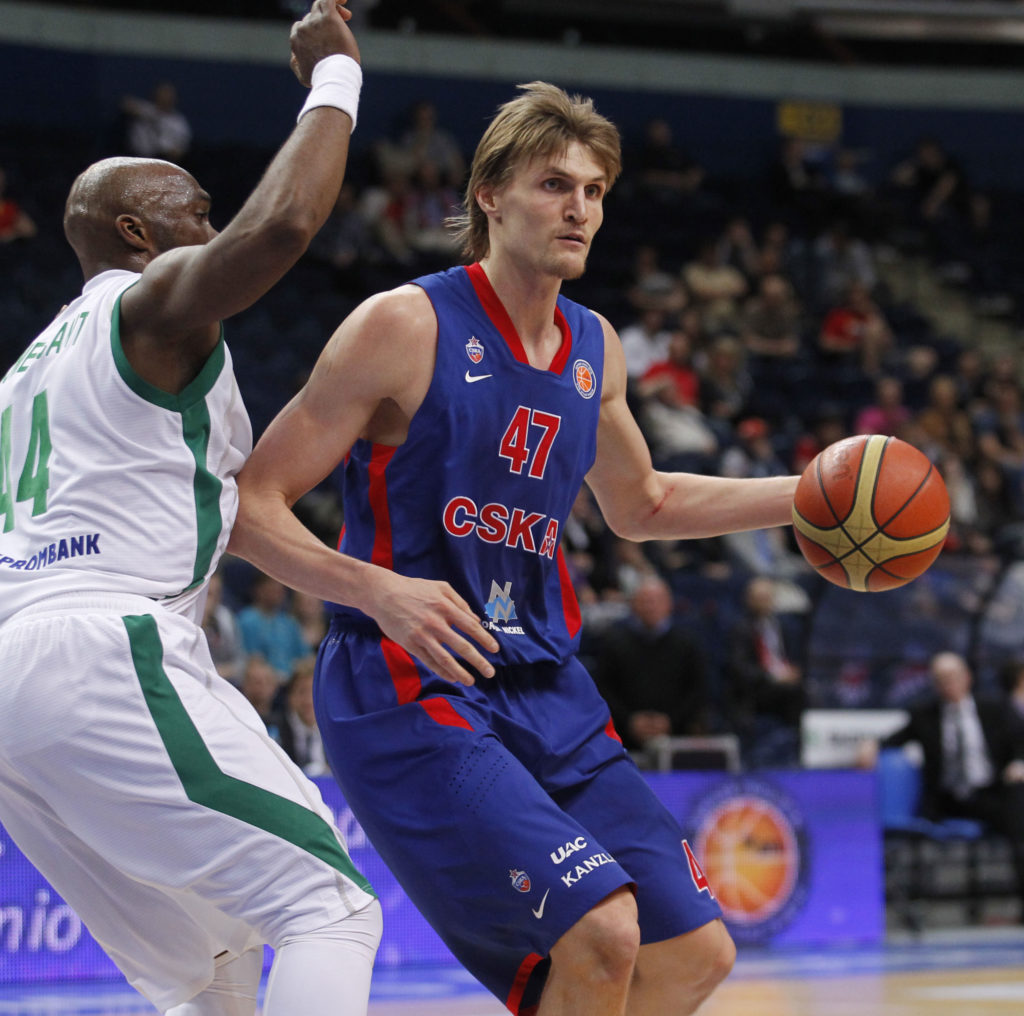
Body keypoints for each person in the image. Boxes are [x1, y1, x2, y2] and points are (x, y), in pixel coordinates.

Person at [231, 81, 801, 1016]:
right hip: (408, 677)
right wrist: (376, 589)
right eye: (554, 185)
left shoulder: (595, 347)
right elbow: (251, 505)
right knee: (603, 933)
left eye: (594, 190)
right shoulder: (403, 325)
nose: (580, 209)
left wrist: (807, 498)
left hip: (545, 685)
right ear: (489, 195)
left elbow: (644, 504)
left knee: (694, 953)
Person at [0, 4, 383, 1014]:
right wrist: (336, 78)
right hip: (105, 646)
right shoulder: (146, 303)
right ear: (138, 234)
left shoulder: (25, 371)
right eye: (197, 211)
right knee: (330, 906)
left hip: (13, 681)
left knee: (208, 960)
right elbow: (282, 228)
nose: (211, 229)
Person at [857, 652, 1024, 922]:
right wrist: (872, 745)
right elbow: (895, 739)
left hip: (989, 794)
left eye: (953, 677)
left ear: (967, 678)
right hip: (946, 800)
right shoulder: (924, 715)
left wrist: (1018, 763)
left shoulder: (994, 709)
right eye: (941, 679)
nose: (948, 684)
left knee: (1019, 810)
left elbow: (1020, 740)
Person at [592, 576, 711, 755]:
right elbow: (603, 688)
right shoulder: (613, 642)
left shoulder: (688, 643)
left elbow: (698, 689)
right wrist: (629, 721)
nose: (650, 607)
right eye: (645, 601)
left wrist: (671, 721)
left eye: (656, 601)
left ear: (669, 604)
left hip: (677, 740)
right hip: (622, 740)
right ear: (633, 605)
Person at [120, 80, 193, 162]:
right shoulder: (147, 109)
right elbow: (126, 103)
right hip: (136, 157)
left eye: (168, 95)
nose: (165, 98)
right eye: (162, 94)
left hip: (163, 159)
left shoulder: (179, 122)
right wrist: (151, 116)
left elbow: (180, 149)